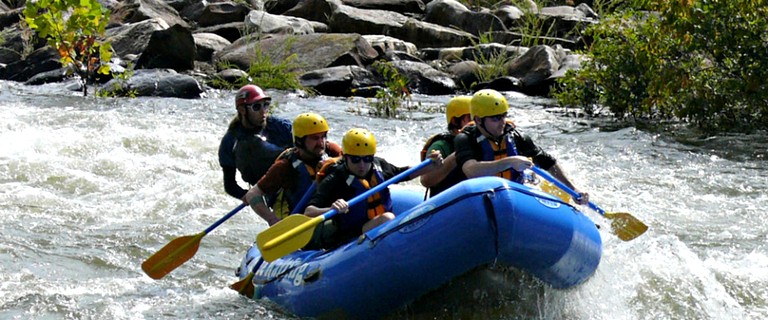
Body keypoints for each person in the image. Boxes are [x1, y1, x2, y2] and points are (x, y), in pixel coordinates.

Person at [304, 128, 442, 249]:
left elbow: (404, 174)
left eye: (367, 159)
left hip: (375, 226)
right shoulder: (336, 179)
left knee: (388, 218)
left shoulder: (379, 166)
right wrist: (331, 209)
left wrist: (430, 165)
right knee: (387, 218)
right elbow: (309, 211)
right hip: (351, 237)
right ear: (345, 158)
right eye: (356, 160)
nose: (362, 165)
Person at [454, 89, 590, 205]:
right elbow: (471, 170)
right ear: (478, 120)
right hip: (479, 198)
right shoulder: (465, 139)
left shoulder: (515, 136)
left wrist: (573, 189)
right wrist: (510, 162)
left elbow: (548, 163)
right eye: (495, 118)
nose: (502, 123)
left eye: (503, 116)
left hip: (513, 196)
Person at [243, 113, 342, 226]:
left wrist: (332, 163)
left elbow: (352, 161)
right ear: (300, 141)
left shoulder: (331, 151)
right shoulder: (285, 167)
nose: (321, 143)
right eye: (315, 138)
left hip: (329, 211)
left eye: (323, 136)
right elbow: (253, 194)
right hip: (300, 222)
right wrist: (272, 220)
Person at [218, 84, 293, 203]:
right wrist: (250, 196)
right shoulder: (230, 141)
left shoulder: (282, 127)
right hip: (274, 196)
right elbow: (230, 185)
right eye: (256, 107)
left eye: (266, 105)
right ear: (242, 110)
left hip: (297, 182)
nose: (263, 111)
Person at [419, 95, 472, 197]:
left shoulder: (482, 141)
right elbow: (425, 180)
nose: (475, 122)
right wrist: (457, 156)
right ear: (455, 121)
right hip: (446, 202)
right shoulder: (441, 145)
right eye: (470, 118)